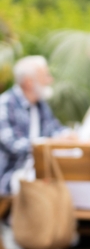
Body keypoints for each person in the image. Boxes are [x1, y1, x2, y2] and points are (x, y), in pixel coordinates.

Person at [0, 56, 68, 195]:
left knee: (70, 179)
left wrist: (67, 135)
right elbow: (12, 145)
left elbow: (56, 128)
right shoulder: (5, 105)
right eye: (45, 76)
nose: (50, 80)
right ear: (29, 82)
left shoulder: (40, 104)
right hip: (10, 172)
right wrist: (46, 144)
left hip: (39, 168)